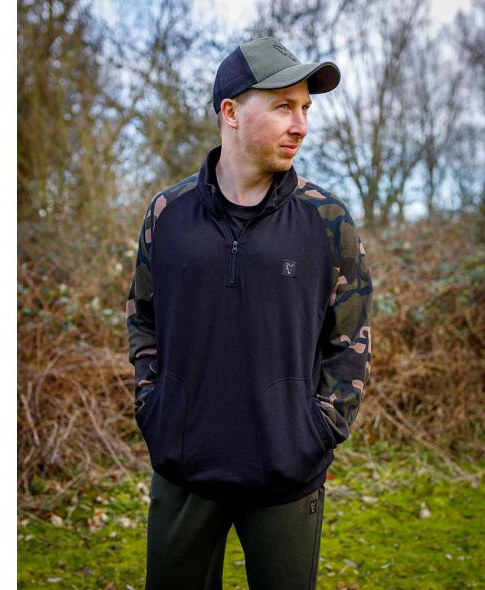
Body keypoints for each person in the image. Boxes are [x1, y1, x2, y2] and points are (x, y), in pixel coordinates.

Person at [126, 36, 373, 590]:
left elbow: (350, 339)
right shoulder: (167, 215)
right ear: (231, 113)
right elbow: (143, 318)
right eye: (284, 106)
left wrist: (318, 429)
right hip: (184, 472)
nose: (300, 125)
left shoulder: (327, 220)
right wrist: (154, 408)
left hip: (287, 475)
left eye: (305, 108)